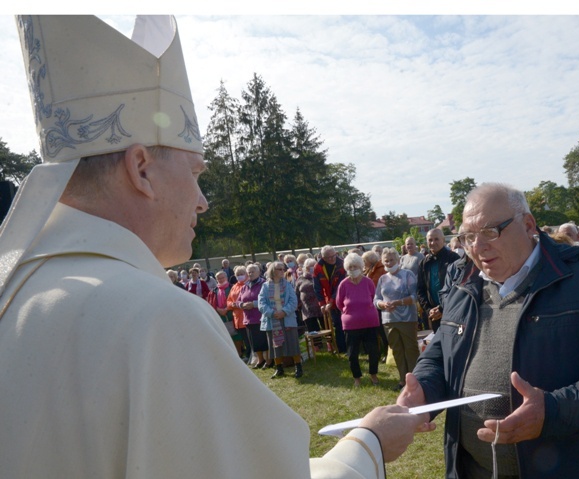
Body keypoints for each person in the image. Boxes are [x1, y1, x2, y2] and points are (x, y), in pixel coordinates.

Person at [0, 17, 432, 478]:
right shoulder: (159, 317)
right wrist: (369, 445)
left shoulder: (17, 293)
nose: (203, 202)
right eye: (196, 174)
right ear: (141, 168)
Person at [398, 183, 579, 478]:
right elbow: (442, 355)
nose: (477, 247)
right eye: (468, 237)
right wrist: (423, 393)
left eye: (491, 231)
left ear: (529, 225)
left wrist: (554, 411)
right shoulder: (463, 284)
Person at [374, 247, 420, 392]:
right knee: (397, 350)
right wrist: (382, 304)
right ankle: (402, 380)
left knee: (410, 349)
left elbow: (414, 297)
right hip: (388, 320)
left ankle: (414, 380)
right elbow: (376, 299)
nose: (388, 263)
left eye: (391, 260)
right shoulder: (382, 278)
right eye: (386, 260)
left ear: (398, 260)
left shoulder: (408, 274)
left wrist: (397, 302)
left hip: (407, 319)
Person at [337, 253, 381, 387]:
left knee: (374, 351)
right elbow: (339, 303)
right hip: (351, 325)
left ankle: (373, 374)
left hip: (370, 322)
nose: (353, 269)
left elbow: (373, 297)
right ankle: (357, 377)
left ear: (361, 266)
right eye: (350, 267)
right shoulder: (343, 284)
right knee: (352, 354)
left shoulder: (368, 282)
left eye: (355, 266)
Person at [258, 261, 303, 378]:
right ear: (273, 271)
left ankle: (298, 366)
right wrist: (272, 313)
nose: (283, 271)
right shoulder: (265, 286)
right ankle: (279, 369)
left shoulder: (288, 285)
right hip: (272, 319)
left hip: (287, 318)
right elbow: (261, 303)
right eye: (280, 269)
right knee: (275, 346)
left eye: (283, 269)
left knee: (292, 343)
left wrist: (284, 312)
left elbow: (294, 301)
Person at [417, 228, 460, 332]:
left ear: (443, 240)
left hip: (453, 311)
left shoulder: (453, 258)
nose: (433, 242)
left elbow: (458, 286)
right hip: (434, 315)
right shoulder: (424, 263)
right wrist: (428, 310)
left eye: (436, 239)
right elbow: (420, 290)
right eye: (430, 240)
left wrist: (442, 308)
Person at [313, 245, 347, 353]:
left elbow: (339, 286)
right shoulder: (317, 267)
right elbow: (317, 287)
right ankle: (341, 348)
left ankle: (351, 346)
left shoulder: (342, 264)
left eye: (334, 255)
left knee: (346, 322)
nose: (332, 259)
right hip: (328, 300)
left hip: (343, 297)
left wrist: (331, 301)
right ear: (323, 257)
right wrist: (322, 303)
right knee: (337, 323)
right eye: (329, 257)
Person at [237, 263, 269, 369]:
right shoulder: (244, 286)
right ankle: (260, 359)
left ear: (259, 272)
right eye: (249, 272)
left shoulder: (264, 284)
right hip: (249, 319)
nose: (250, 274)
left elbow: (267, 299)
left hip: (261, 317)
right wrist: (242, 305)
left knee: (263, 339)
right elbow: (237, 301)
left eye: (253, 271)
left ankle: (269, 360)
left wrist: (254, 304)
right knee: (254, 341)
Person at [208, 270, 244, 358]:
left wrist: (226, 309)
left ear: (226, 277)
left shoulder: (232, 287)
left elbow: (236, 299)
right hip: (221, 315)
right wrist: (218, 309)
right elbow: (212, 302)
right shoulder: (214, 290)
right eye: (218, 278)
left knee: (237, 335)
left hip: (232, 313)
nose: (220, 279)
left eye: (222, 277)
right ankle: (232, 353)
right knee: (226, 335)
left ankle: (239, 352)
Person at [295, 258, 325, 341]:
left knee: (325, 326)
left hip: (320, 306)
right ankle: (317, 346)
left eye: (313, 266)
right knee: (313, 329)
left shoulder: (320, 276)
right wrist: (297, 304)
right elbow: (296, 292)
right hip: (307, 309)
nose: (311, 268)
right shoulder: (300, 279)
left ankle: (330, 344)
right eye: (309, 267)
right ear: (305, 268)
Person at [227, 265, 251, 362]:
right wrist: (232, 304)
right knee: (245, 339)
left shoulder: (249, 284)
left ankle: (251, 355)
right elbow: (228, 301)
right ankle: (248, 354)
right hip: (237, 317)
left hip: (247, 315)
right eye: (238, 274)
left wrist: (239, 304)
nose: (240, 276)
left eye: (242, 274)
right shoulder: (234, 287)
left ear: (246, 274)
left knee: (250, 339)